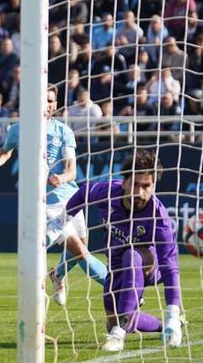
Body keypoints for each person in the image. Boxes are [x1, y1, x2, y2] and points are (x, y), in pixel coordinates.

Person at [0, 84, 107, 305]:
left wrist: (61, 178)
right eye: (42, 100)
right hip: (46, 203)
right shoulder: (18, 129)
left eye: (50, 101)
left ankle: (58, 274)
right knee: (79, 251)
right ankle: (120, 288)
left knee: (82, 248)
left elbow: (72, 170)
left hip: (71, 197)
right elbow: (5, 151)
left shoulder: (63, 131)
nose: (46, 105)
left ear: (55, 105)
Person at [65, 149, 182, 352]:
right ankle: (161, 327)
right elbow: (84, 192)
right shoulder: (107, 193)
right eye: (134, 184)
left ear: (154, 185)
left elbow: (170, 267)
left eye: (146, 186)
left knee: (133, 255)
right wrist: (64, 219)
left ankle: (118, 335)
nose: (139, 192)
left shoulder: (159, 218)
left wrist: (173, 313)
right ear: (124, 182)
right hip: (116, 265)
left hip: (148, 264)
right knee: (118, 317)